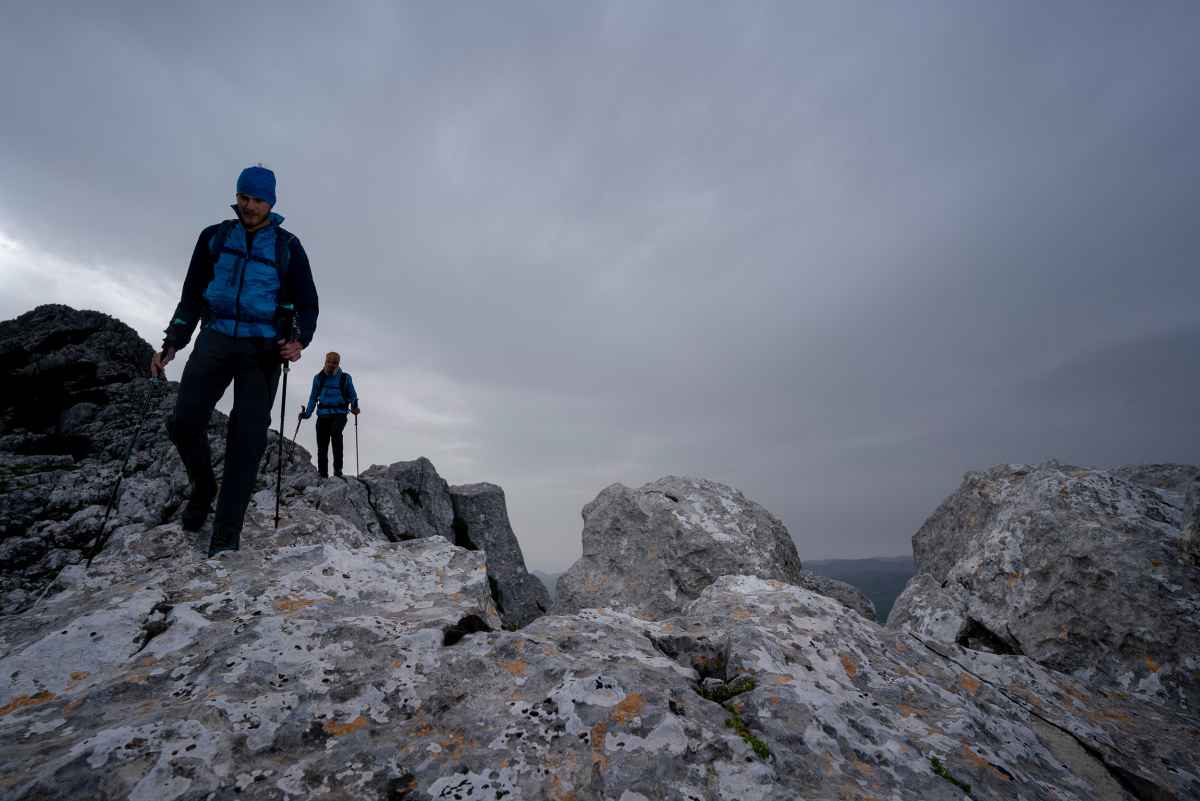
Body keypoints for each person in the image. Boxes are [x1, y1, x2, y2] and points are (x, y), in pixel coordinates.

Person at [150, 165, 319, 556]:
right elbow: (192, 295)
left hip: (262, 350)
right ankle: (204, 488)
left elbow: (308, 304)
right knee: (184, 422)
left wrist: (299, 341)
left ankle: (225, 535)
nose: (249, 206)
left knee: (247, 441)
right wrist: (173, 341)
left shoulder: (288, 246)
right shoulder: (214, 237)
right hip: (215, 339)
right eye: (244, 197)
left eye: (257, 200)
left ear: (271, 202)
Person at [301, 352, 360, 478]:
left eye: (335, 363)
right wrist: (307, 414)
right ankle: (323, 474)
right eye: (330, 362)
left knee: (336, 434)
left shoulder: (345, 378)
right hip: (323, 415)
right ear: (325, 362)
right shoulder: (319, 378)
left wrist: (354, 407)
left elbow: (353, 395)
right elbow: (313, 398)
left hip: (340, 414)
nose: (332, 365)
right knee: (322, 444)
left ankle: (337, 471)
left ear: (338, 363)